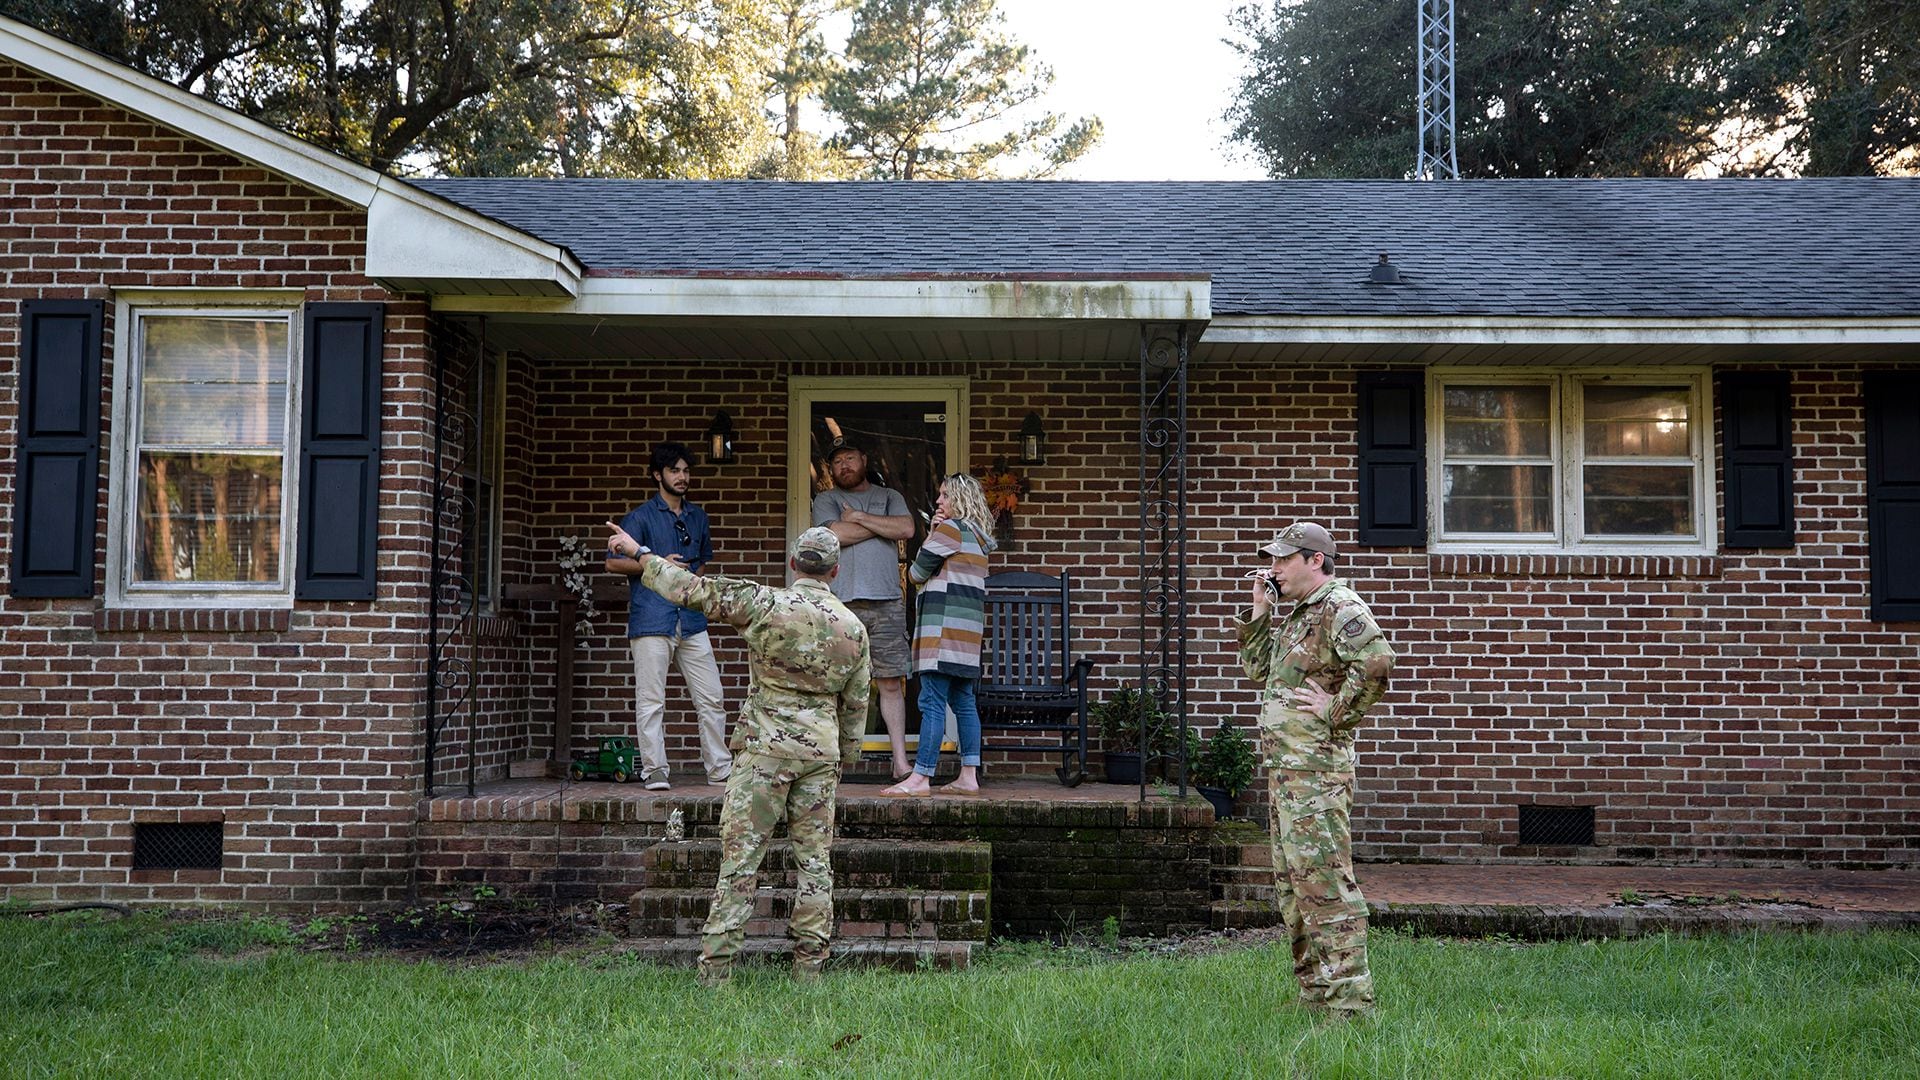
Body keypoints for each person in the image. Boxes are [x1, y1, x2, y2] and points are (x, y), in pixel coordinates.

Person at [605, 521, 870, 986]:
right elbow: (856, 705)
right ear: (835, 571)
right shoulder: (853, 628)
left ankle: (718, 971)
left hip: (764, 752)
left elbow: (691, 589)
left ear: (793, 564)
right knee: (815, 863)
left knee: (741, 862)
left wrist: (640, 552)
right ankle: (809, 970)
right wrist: (846, 756)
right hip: (820, 755)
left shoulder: (765, 603)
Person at [1236, 521, 1395, 1019]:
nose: (1274, 567)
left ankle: (1350, 1007)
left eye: (1284, 559)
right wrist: (1262, 612)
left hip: (1316, 775)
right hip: (1287, 772)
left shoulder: (1339, 606)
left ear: (1315, 561)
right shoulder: (1300, 613)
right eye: (1273, 559)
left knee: (1325, 885)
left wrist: (1335, 710)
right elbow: (1257, 672)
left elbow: (1377, 662)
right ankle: (1316, 995)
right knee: (1294, 888)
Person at [607, 442, 732, 791]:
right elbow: (613, 561)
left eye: (686, 471)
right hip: (652, 618)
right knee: (651, 699)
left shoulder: (698, 516)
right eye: (674, 470)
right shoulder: (639, 517)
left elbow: (702, 561)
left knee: (712, 696)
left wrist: (687, 584)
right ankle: (655, 770)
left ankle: (720, 769)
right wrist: (660, 566)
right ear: (657, 475)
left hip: (691, 619)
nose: (682, 477)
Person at [880, 474, 995, 798]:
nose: (939, 501)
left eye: (945, 496)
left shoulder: (950, 530)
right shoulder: (979, 536)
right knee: (963, 702)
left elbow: (916, 573)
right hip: (967, 637)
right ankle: (968, 775)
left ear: (960, 499)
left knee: (931, 701)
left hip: (941, 633)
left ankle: (920, 777)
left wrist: (932, 533)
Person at [810, 436, 916, 778]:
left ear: (864, 460)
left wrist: (858, 517)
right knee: (835, 684)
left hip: (887, 602)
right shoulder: (826, 499)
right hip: (840, 604)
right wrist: (876, 524)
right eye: (838, 461)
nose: (844, 466)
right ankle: (833, 764)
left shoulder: (890, 497)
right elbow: (834, 536)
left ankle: (900, 762)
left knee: (890, 682)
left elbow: (907, 528)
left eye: (850, 458)